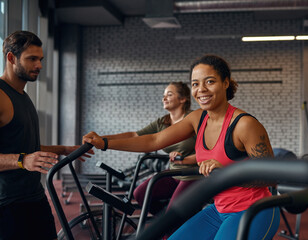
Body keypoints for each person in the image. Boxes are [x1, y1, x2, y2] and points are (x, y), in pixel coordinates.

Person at [83, 55, 280, 240]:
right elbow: (154, 140)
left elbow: (271, 177)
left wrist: (226, 173)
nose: (201, 89)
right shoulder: (197, 119)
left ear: (225, 83)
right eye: (195, 84)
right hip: (218, 210)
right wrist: (105, 142)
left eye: (209, 81)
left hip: (255, 210)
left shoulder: (243, 125)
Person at [0, 31, 92, 240]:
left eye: (40, 59)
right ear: (11, 58)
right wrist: (23, 160)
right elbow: (23, 155)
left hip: (35, 199)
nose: (39, 65)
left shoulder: (22, 95)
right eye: (32, 59)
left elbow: (23, 145)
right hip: (8, 206)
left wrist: (65, 150)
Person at [101, 82, 200, 215]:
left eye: (169, 95)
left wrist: (185, 159)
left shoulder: (194, 118)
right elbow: (134, 135)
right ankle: (166, 224)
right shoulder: (162, 122)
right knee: (140, 194)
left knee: (173, 215)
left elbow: (209, 148)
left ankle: (170, 225)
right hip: (173, 172)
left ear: (183, 99)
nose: (164, 98)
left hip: (193, 175)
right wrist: (102, 140)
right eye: (163, 95)